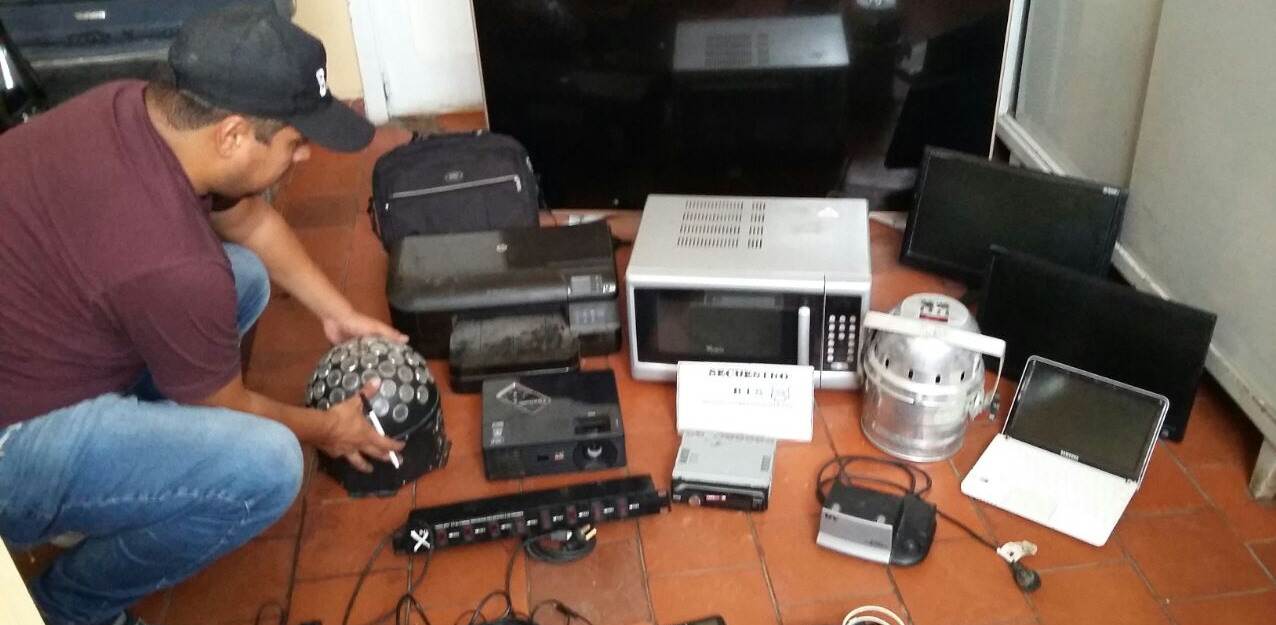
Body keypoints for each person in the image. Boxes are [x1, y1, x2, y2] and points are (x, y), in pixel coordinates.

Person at [0, 7, 405, 625]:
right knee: (268, 466)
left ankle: (120, 476)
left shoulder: (133, 108)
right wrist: (330, 429)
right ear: (233, 136)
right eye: (295, 141)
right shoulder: (173, 261)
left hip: (33, 339)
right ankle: (70, 606)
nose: (304, 157)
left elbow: (248, 220)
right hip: (13, 441)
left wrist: (339, 312)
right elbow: (230, 405)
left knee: (243, 277)